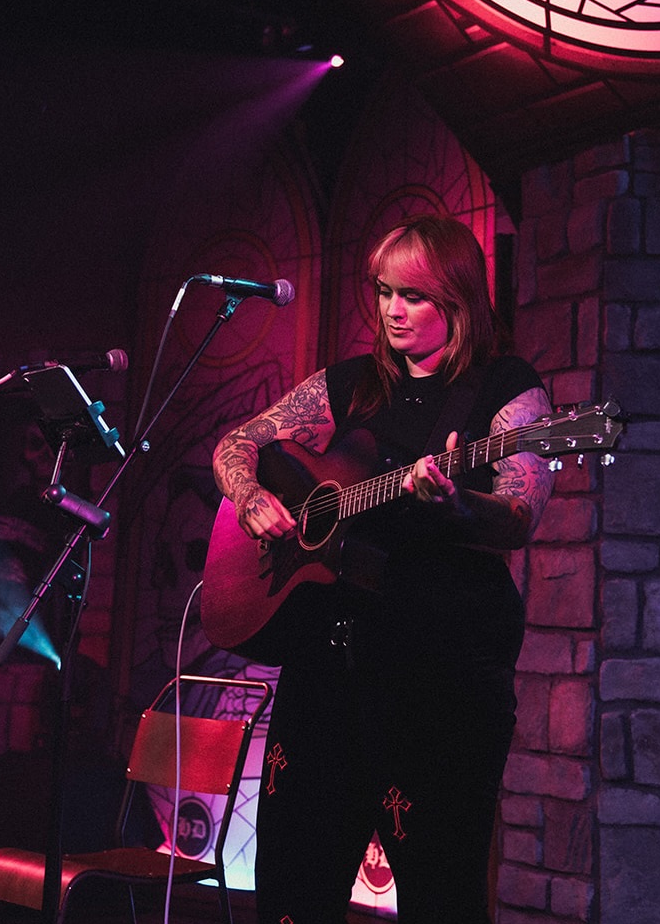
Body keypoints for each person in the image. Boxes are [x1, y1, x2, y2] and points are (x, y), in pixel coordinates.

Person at [211, 214, 555, 924]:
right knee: (291, 887)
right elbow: (236, 443)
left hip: (441, 679)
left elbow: (520, 514)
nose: (393, 311)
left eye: (415, 296)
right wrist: (250, 499)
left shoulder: (507, 390)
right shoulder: (349, 384)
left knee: (441, 891)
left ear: (457, 300)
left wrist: (458, 505)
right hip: (329, 670)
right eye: (384, 291)